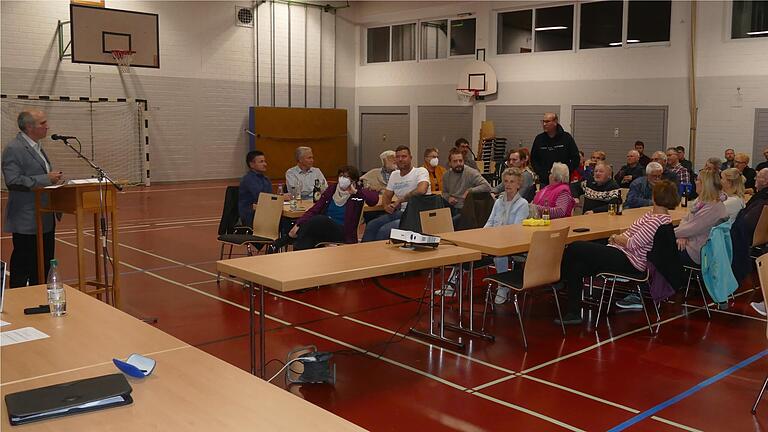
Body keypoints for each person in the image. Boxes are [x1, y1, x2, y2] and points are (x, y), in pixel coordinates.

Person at [558, 180, 679, 324]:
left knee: (576, 247)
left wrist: (616, 238)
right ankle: (573, 312)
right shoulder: (652, 216)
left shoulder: (657, 221)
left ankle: (557, 277)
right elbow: (630, 234)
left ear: (655, 197)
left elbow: (632, 243)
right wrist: (619, 239)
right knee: (577, 265)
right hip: (622, 253)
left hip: (631, 261)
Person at [2, 110, 63, 287]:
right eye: (43, 123)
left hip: (45, 217)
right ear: (29, 127)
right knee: (23, 265)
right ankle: (18, 303)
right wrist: (46, 179)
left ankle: (41, 298)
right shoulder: (14, 148)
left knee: (43, 265)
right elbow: (12, 181)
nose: (47, 126)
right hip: (26, 219)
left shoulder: (37, 147)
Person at [287, 166, 378, 250]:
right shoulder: (332, 189)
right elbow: (315, 209)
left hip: (343, 231)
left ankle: (284, 240)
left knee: (318, 220)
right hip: (324, 229)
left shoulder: (358, 193)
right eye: (341, 176)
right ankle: (299, 262)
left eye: (346, 177)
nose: (342, 179)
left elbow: (373, 200)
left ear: (353, 180)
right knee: (307, 237)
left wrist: (356, 192)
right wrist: (298, 224)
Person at [362, 145, 430, 242]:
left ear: (410, 158)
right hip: (402, 213)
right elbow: (387, 195)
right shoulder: (395, 175)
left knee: (384, 230)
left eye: (404, 156)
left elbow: (421, 190)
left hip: (418, 214)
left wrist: (400, 200)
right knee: (372, 225)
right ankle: (365, 254)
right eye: (398, 157)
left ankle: (378, 256)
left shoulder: (420, 171)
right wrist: (386, 206)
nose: (400, 159)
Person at [484, 168, 529, 304]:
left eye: (512, 182)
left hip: (512, 242)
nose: (508, 185)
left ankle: (503, 286)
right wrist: (480, 236)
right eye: (506, 181)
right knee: (467, 250)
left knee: (499, 254)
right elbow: (490, 222)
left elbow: (515, 230)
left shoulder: (523, 204)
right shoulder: (498, 202)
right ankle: (453, 282)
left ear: (518, 185)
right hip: (494, 238)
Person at [674, 168, 728, 268]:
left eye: (698, 180)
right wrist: (683, 235)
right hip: (691, 239)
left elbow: (692, 228)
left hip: (698, 251)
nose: (695, 182)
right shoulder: (701, 201)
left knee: (658, 247)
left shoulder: (713, 207)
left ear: (705, 185)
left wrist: (670, 233)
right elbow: (686, 219)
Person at [531, 112, 580, 186]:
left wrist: (566, 171)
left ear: (555, 122)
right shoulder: (539, 139)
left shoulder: (566, 138)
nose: (544, 124)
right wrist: (541, 173)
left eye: (547, 121)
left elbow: (575, 158)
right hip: (544, 180)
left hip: (562, 181)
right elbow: (534, 159)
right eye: (543, 121)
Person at [442, 148, 491, 219]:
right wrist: (448, 197)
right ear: (450, 163)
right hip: (451, 207)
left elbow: (487, 186)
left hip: (467, 209)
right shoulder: (446, 175)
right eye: (455, 161)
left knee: (453, 223)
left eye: (460, 161)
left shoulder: (471, 172)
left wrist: (470, 191)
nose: (458, 163)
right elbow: (444, 192)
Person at [238, 150, 274, 228]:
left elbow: (270, 196)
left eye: (264, 161)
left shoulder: (265, 179)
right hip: (251, 214)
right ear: (252, 164)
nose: (265, 164)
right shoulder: (248, 179)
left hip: (264, 210)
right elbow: (261, 197)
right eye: (261, 162)